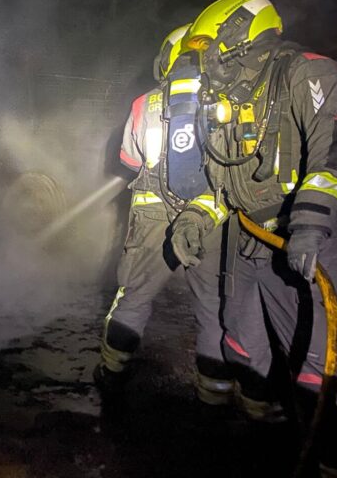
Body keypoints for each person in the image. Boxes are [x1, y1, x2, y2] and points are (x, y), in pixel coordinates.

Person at [171, 0, 337, 476]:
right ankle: (267, 434)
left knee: (316, 358)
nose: (205, 58)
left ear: (239, 34)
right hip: (251, 235)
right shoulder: (228, 98)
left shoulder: (308, 72)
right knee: (241, 336)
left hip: (309, 234)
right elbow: (225, 180)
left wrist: (310, 221)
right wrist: (197, 215)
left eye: (208, 45)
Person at [94, 25, 234, 407]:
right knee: (214, 306)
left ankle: (112, 372)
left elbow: (129, 159)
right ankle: (215, 396)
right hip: (209, 215)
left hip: (153, 215)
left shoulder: (145, 103)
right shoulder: (225, 99)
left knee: (134, 296)